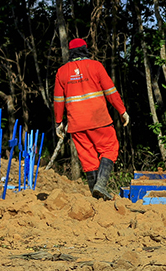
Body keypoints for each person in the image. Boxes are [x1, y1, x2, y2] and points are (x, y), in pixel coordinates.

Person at [54, 38, 129, 200]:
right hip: (99, 119)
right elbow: (110, 91)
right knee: (110, 148)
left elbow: (58, 100)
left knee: (88, 159)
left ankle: (97, 199)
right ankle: (101, 185)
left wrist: (58, 122)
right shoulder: (96, 66)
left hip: (76, 123)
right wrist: (122, 111)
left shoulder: (62, 72)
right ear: (85, 50)